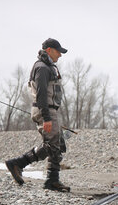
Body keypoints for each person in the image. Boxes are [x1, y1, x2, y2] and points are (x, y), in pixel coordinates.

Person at [5, 38, 70, 192]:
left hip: (49, 110)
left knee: (56, 143)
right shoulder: (42, 68)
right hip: (45, 110)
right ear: (49, 50)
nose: (60, 55)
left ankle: (20, 164)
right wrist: (47, 118)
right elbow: (41, 94)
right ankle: (50, 180)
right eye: (58, 51)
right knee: (53, 145)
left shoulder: (47, 67)